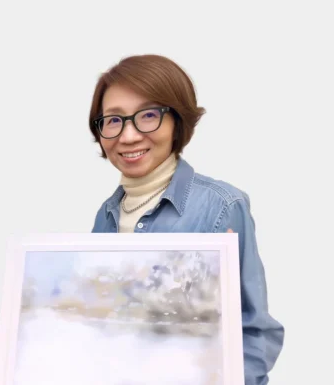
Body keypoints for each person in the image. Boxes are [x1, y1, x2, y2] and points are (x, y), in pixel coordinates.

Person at [89, 54, 284, 384]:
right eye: (113, 120)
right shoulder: (106, 215)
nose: (128, 136)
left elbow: (254, 332)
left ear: (177, 121)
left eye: (148, 115)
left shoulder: (221, 206)